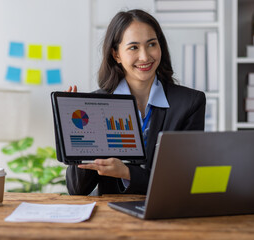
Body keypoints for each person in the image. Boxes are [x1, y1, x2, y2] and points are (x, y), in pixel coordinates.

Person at [66, 9, 205, 195]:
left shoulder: (190, 103)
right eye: (133, 47)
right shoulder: (96, 105)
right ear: (116, 55)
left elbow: (185, 179)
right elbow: (77, 189)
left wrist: (126, 172)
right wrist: (79, 136)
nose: (145, 57)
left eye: (151, 44)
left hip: (166, 212)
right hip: (113, 216)